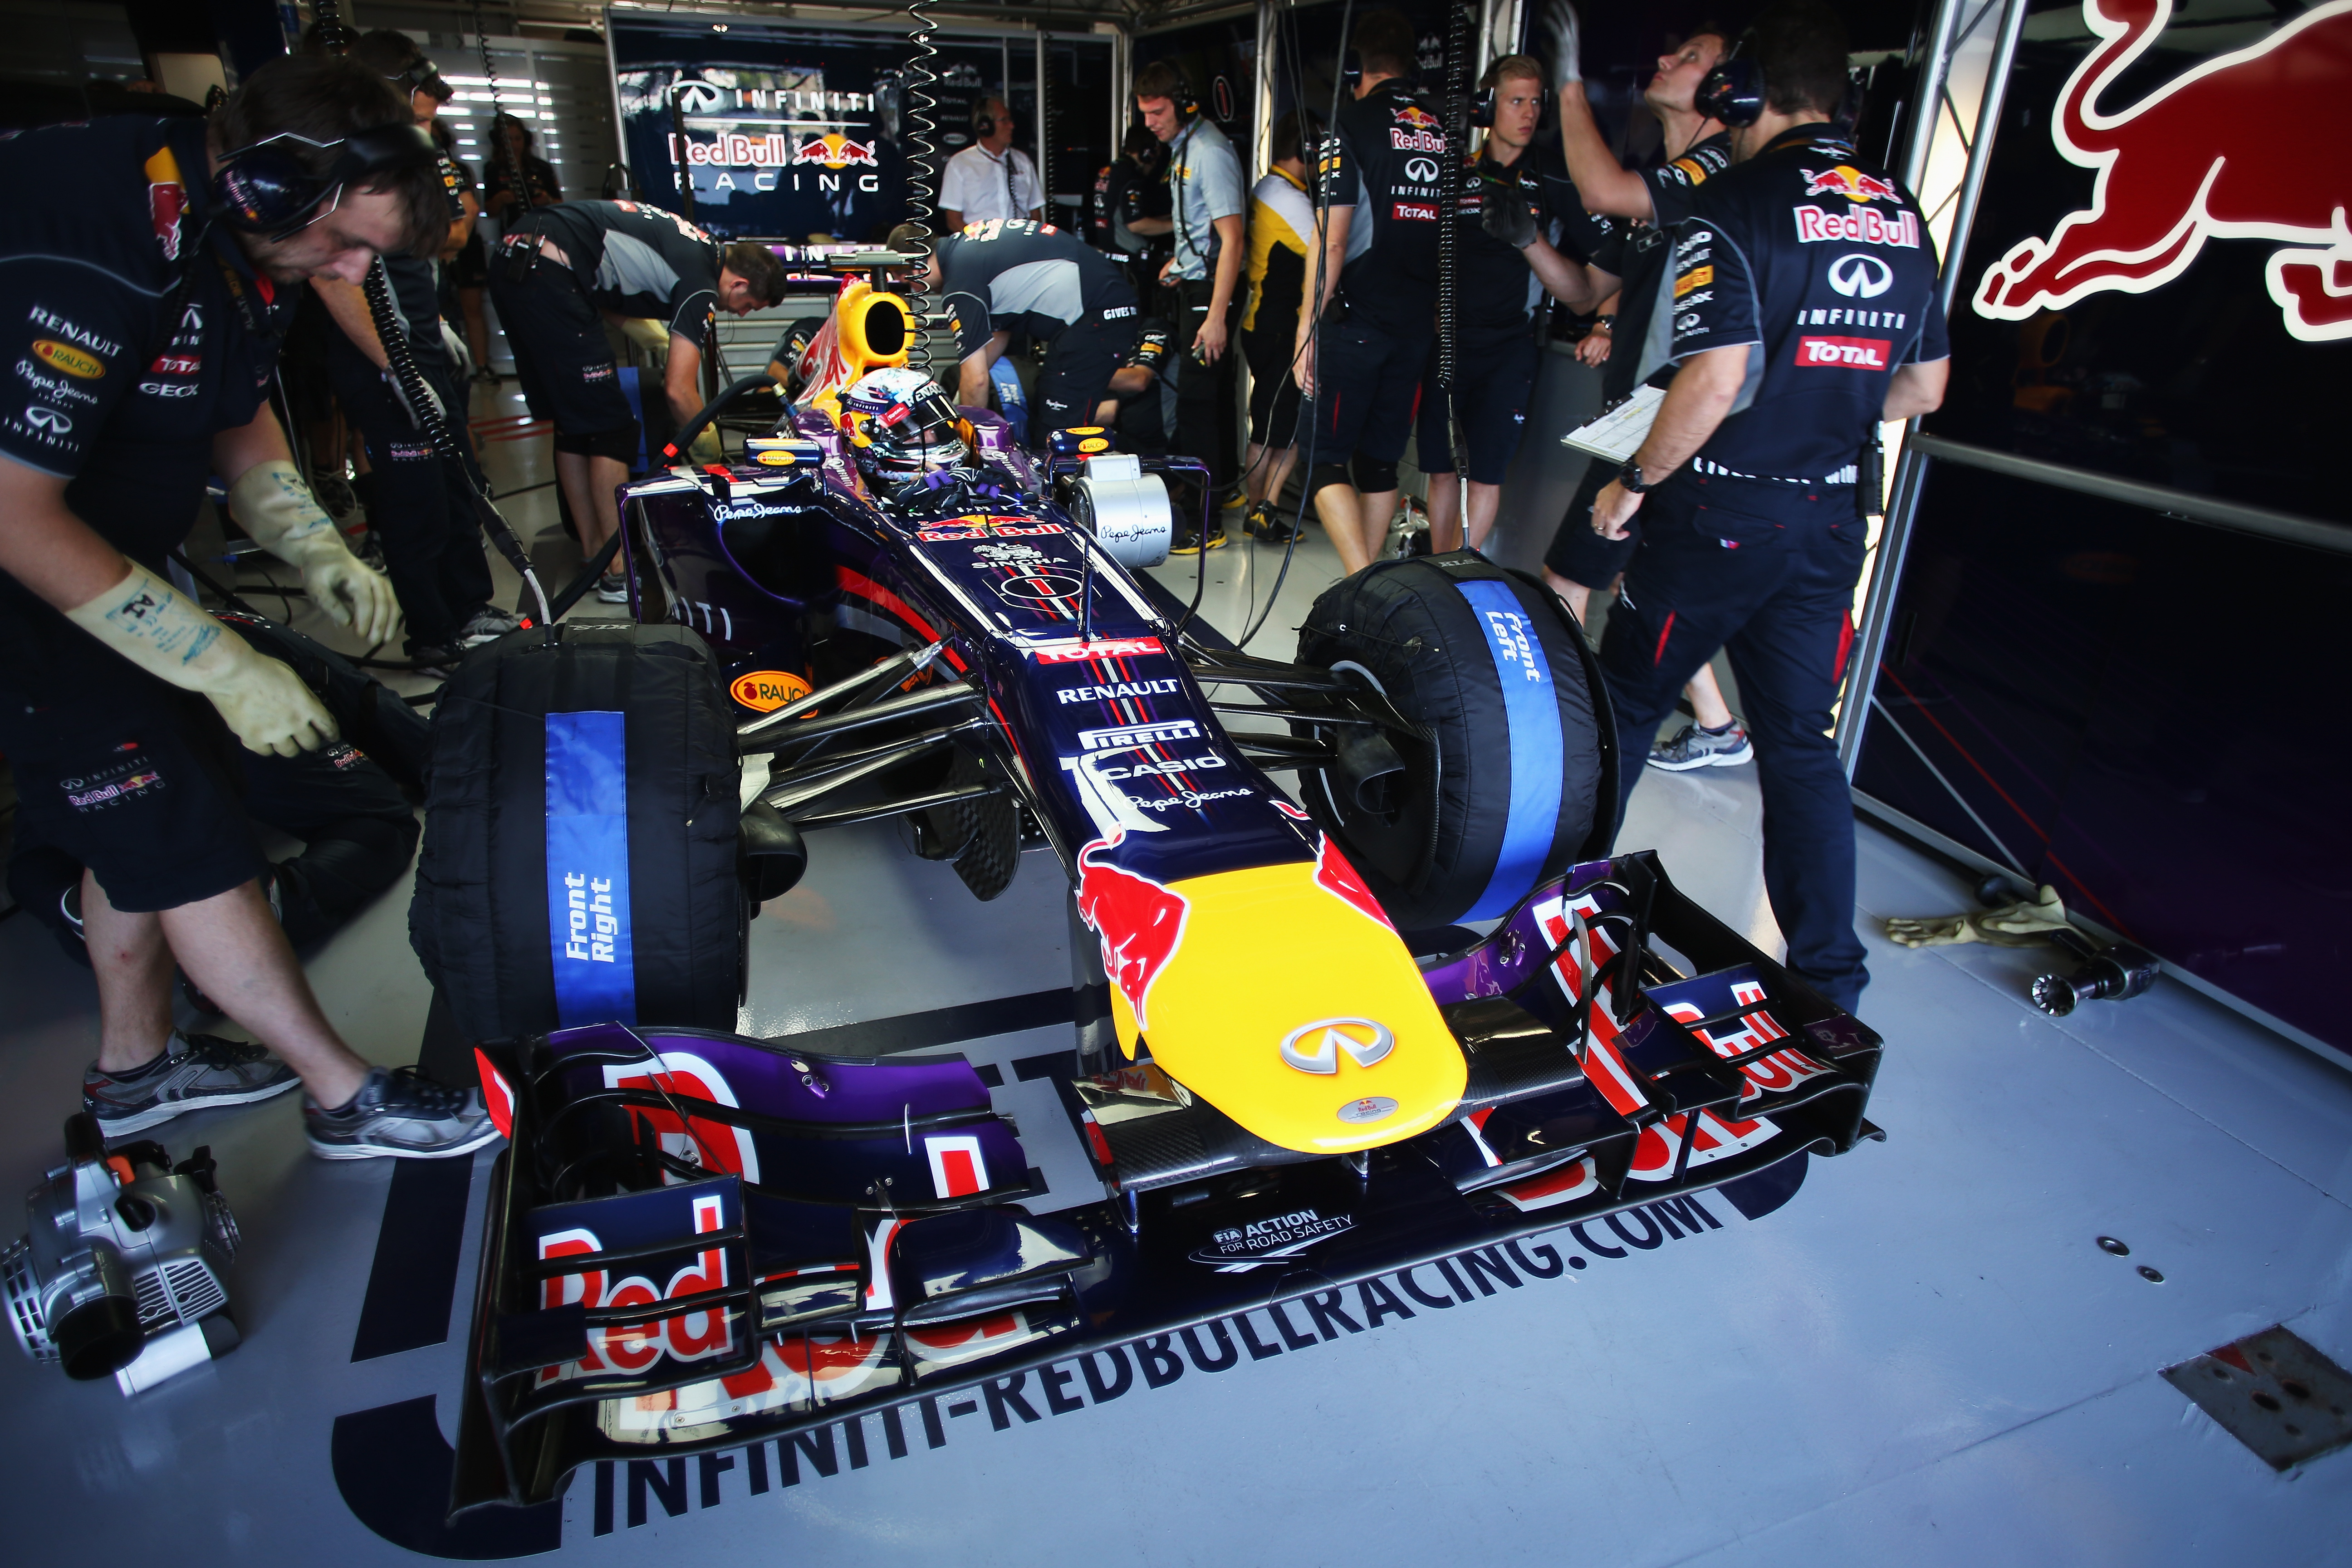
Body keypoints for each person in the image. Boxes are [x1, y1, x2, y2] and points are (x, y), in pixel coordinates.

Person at [0, 52, 500, 1157]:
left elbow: (233, 409)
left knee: (150, 806)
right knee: (184, 825)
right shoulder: (91, 241)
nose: (354, 269)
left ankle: (137, 1070)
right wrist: (217, 662)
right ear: (270, 184)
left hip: (97, 564)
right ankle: (345, 1099)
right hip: (24, 581)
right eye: (348, 242)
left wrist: (311, 542)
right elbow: (15, 515)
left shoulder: (227, 237)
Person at [1585, 0, 1949, 1013]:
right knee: (1798, 746)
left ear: (1739, 95)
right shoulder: (1901, 211)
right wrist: (1823, 398)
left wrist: (1632, 483)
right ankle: (1829, 987)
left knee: (1624, 712)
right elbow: (1922, 390)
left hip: (1716, 519)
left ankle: (1552, 933)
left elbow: (1711, 381)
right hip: (1828, 525)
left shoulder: (1732, 203)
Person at [1534, 14, 1748, 767]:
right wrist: (1525, 240)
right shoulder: (1665, 180)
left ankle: (1562, 734)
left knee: (1567, 575)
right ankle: (1717, 726)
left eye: (1688, 56)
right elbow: (1588, 289)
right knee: (1637, 574)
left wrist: (1568, 85)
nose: (1663, 58)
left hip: (1658, 418)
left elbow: (1601, 187)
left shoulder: (1711, 168)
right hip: (1647, 413)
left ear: (1723, 90)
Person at [314, 29, 514, 668]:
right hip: (383, 360)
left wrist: (435, 328)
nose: (432, 108)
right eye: (422, 97)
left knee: (458, 484)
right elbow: (331, 277)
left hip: (424, 344)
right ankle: (432, 633)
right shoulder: (342, 162)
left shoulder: (398, 159)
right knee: (416, 501)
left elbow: (422, 255)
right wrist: (392, 364)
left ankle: (470, 608)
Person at [488, 199, 786, 601]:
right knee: (612, 428)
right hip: (550, 267)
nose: (743, 314)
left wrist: (653, 338)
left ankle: (595, 557)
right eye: (748, 306)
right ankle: (616, 571)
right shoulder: (702, 281)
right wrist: (709, 444)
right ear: (738, 285)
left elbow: (602, 298)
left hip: (516, 257)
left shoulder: (694, 247)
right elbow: (678, 390)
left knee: (575, 426)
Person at [1416, 56, 1606, 554]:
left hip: (1510, 347)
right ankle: (1436, 569)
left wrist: (1605, 323)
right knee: (1441, 469)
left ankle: (1461, 570)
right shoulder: (1456, 173)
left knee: (1485, 473)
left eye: (1536, 102)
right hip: (1450, 343)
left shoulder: (1553, 176)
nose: (1528, 113)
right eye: (1516, 101)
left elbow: (1615, 258)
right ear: (1486, 107)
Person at [1292, 9, 1446, 577]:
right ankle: (1373, 587)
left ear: (1357, 69)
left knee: (1323, 460)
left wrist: (1306, 328)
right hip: (1416, 331)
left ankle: (1360, 583)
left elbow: (1332, 241)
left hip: (1355, 325)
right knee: (1381, 463)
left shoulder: (1349, 126)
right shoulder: (1443, 132)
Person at [1126, 62, 1246, 550]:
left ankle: (1205, 521)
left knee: (1196, 404)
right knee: (1209, 399)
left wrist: (1216, 317)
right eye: (1144, 113)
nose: (1150, 123)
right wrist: (1180, 261)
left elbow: (1232, 239)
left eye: (1157, 112)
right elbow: (1201, 231)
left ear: (1184, 104)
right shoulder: (1185, 147)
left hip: (1211, 294)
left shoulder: (1210, 151)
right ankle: (1221, 489)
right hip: (1194, 282)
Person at [926, 220, 1142, 448]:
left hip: (1097, 317)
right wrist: (959, 400)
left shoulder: (960, 283)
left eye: (908, 280)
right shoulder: (966, 249)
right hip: (1099, 310)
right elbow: (999, 335)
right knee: (1051, 420)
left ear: (917, 268)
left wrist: (968, 447)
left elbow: (977, 381)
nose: (914, 289)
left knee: (1055, 435)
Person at [1238, 109, 1321, 544]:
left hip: (1263, 323)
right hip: (1280, 329)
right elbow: (1330, 255)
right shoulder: (1290, 200)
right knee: (1283, 430)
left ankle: (1259, 510)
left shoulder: (1267, 188)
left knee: (1271, 425)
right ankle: (1262, 511)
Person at [1088, 125, 1173, 296]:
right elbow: (1137, 224)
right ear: (1147, 153)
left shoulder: (1108, 171)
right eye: (1155, 157)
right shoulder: (1130, 177)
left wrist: (1170, 217)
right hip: (1129, 267)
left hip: (1109, 261)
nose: (1154, 164)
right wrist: (1177, 225)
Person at [938, 98, 1043, 233]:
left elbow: (1036, 212)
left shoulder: (1023, 161)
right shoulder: (960, 163)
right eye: (1004, 121)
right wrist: (978, 240)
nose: (1012, 126)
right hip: (978, 243)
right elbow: (953, 220)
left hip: (1019, 242)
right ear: (985, 125)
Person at [482, 113, 560, 221]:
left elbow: (560, 204)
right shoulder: (493, 169)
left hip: (542, 225)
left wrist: (548, 200)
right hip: (512, 228)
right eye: (509, 140)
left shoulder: (542, 167)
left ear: (525, 139)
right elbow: (490, 212)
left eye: (518, 139)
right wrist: (499, 199)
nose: (514, 145)